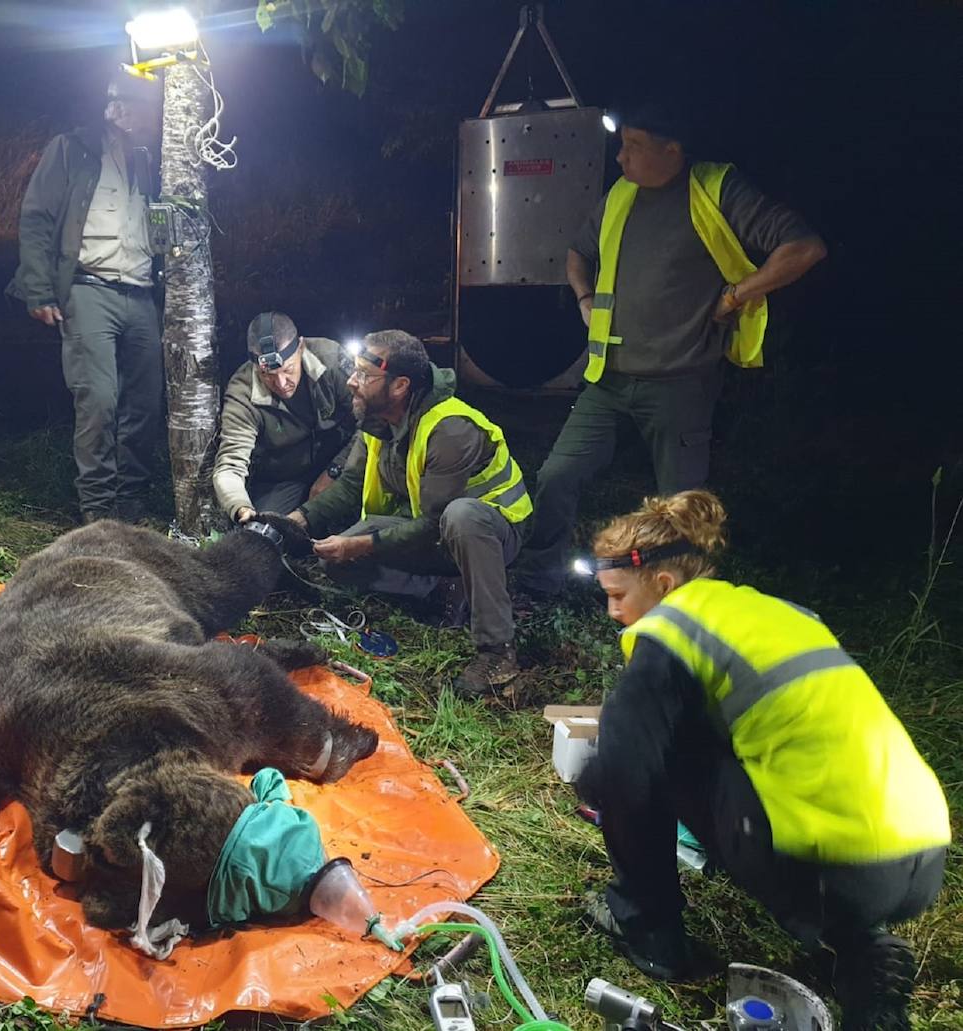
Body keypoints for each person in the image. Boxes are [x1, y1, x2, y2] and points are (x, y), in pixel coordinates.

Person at [577, 490, 949, 1030]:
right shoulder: (777, 612)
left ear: (663, 584)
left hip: (833, 869)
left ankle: (648, 928)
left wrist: (591, 781)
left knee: (643, 753)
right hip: (920, 852)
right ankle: (859, 952)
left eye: (616, 596)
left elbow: (625, 772)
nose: (614, 613)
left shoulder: (667, 633)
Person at [513, 105, 827, 601]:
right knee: (556, 475)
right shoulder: (620, 194)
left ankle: (679, 603)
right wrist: (584, 298)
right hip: (609, 377)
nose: (621, 158)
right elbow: (578, 253)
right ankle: (535, 581)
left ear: (672, 150)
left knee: (680, 505)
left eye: (633, 146)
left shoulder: (716, 189)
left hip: (682, 382)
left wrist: (739, 293)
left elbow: (803, 248)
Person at [287, 331, 533, 697]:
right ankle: (445, 588)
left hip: (494, 532)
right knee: (335, 563)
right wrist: (299, 520)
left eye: (364, 376)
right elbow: (351, 486)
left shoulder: (450, 428)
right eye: (354, 371)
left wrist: (363, 544)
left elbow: (435, 523)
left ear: (400, 385)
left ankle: (497, 653)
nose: (352, 383)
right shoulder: (376, 420)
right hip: (432, 529)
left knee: (461, 515)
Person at [8, 73, 163, 524]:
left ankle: (130, 507)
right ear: (113, 107)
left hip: (141, 293)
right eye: (135, 105)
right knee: (98, 399)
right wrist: (37, 289)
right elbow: (36, 218)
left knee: (144, 403)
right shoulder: (71, 150)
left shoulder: (151, 158)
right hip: (88, 286)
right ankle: (97, 512)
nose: (145, 116)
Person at [213, 311, 357, 524]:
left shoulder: (330, 359)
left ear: (301, 347)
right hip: (286, 476)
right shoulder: (242, 392)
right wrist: (240, 506)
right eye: (268, 375)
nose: (281, 383)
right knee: (266, 530)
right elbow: (230, 465)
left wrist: (335, 470)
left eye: (288, 370)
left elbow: (371, 424)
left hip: (343, 459)